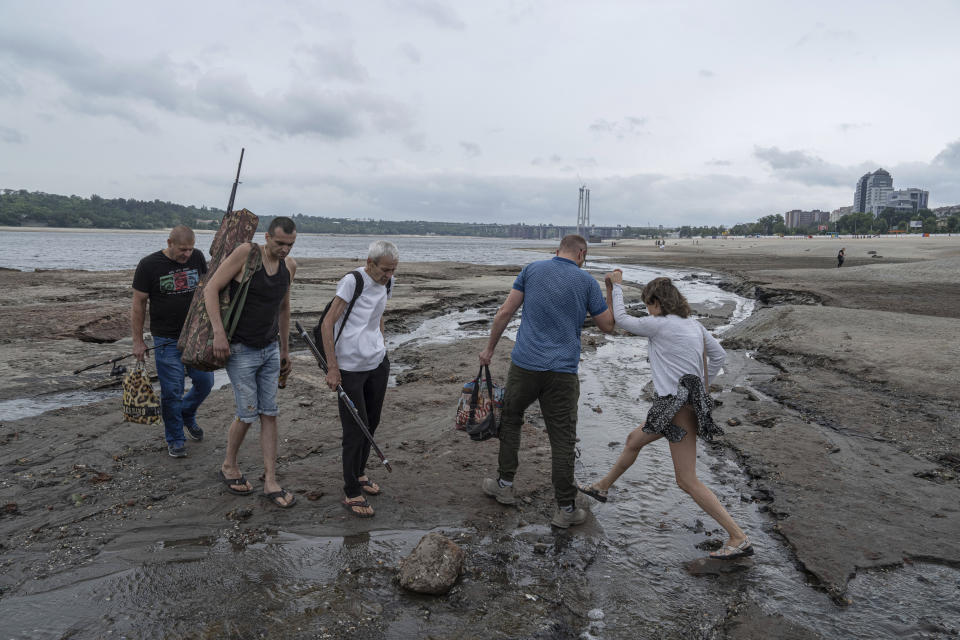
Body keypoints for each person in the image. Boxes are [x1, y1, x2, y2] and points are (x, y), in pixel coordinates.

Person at [578, 271, 752, 559]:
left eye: (648, 304)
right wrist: (701, 386)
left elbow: (620, 319)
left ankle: (738, 536)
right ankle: (602, 487)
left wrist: (617, 286)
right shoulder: (693, 325)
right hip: (679, 405)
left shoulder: (659, 325)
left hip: (676, 408)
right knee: (634, 440)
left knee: (686, 480)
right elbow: (719, 356)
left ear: (658, 303)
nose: (647, 310)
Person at [480, 234, 615, 528]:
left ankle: (504, 486)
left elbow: (505, 312)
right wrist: (609, 289)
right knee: (563, 438)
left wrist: (489, 349)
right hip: (563, 372)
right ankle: (565, 508)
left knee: (512, 419)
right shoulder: (587, 282)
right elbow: (607, 325)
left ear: (557, 251)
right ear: (582, 254)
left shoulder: (532, 270)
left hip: (525, 365)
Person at [204, 216, 297, 508]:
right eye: (280, 243)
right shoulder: (247, 253)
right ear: (267, 237)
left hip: (269, 349)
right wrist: (219, 334)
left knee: (270, 413)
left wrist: (285, 349)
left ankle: (270, 480)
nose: (284, 249)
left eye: (290, 245)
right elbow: (211, 289)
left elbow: (284, 307)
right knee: (248, 413)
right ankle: (229, 465)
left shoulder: (289, 267)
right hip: (240, 349)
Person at [320, 240, 398, 518]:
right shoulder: (353, 281)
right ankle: (351, 490)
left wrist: (381, 346)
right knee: (356, 428)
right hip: (349, 366)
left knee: (372, 422)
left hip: (376, 362)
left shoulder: (388, 282)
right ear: (370, 263)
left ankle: (361, 472)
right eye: (385, 270)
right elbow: (327, 323)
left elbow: (378, 317)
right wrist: (332, 367)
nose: (388, 275)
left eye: (393, 270)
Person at [132, 225, 214, 458]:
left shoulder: (197, 258)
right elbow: (138, 304)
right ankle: (176, 438)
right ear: (169, 243)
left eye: (190, 249)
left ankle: (187, 413)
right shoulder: (148, 265)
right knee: (171, 391)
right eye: (182, 249)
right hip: (165, 339)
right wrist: (138, 341)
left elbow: (207, 290)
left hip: (195, 335)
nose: (187, 254)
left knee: (205, 382)